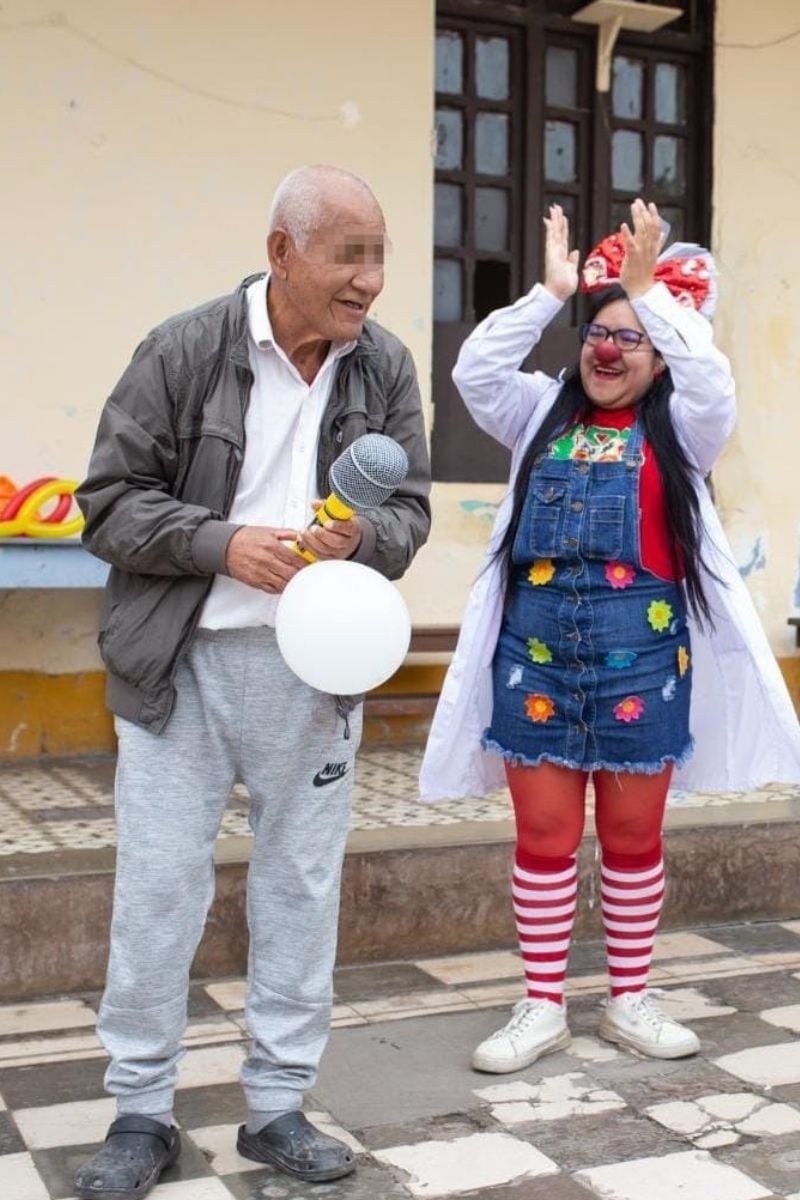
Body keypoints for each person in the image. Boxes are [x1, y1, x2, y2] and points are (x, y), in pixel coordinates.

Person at [74, 165, 431, 1198]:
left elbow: (405, 515)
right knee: (157, 890)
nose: (367, 281)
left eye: (378, 257)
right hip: (179, 667)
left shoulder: (385, 368)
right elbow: (108, 503)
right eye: (346, 255)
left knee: (300, 890)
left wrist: (364, 532)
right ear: (281, 252)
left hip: (314, 676)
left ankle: (276, 1106)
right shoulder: (182, 349)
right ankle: (139, 1112)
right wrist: (222, 545)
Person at [420, 198, 800, 1074]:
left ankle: (630, 999)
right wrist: (552, 293)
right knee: (544, 839)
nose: (607, 348)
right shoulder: (536, 412)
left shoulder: (685, 427)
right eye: (600, 331)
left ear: (660, 352)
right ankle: (541, 1005)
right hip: (537, 660)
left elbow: (715, 382)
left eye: (631, 338)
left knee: (632, 842)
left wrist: (644, 292)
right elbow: (476, 371)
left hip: (643, 665)